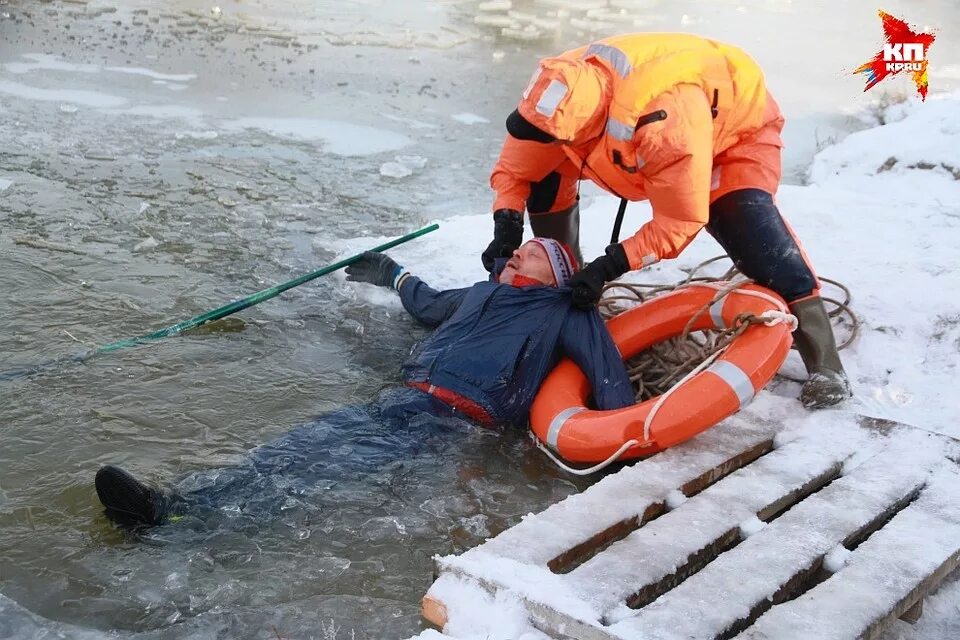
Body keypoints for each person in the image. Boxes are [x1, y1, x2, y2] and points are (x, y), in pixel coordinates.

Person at [95, 239, 635, 526]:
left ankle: (183, 526)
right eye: (523, 248)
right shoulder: (477, 293)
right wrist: (390, 272)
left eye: (534, 252)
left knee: (314, 474)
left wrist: (633, 450)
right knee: (290, 449)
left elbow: (609, 377)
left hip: (450, 424)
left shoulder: (565, 310)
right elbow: (426, 304)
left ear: (558, 276)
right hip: (401, 402)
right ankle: (175, 504)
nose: (518, 251)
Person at [480, 32, 852, 410]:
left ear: (585, 126)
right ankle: (561, 295)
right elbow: (516, 168)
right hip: (624, 137)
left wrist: (608, 267)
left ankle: (826, 364)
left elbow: (679, 220)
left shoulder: (665, 123)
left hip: (730, 136)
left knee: (752, 234)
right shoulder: (555, 90)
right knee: (544, 178)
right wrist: (506, 225)